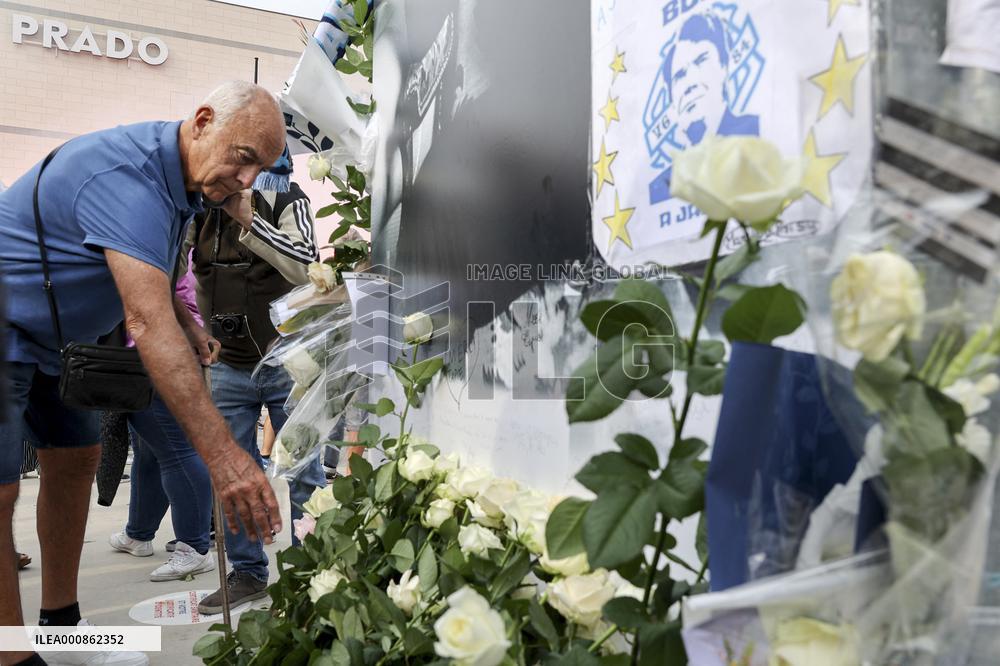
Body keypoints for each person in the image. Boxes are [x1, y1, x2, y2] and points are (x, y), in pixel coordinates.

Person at [0, 80, 284, 666]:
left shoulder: (185, 186)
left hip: (60, 342)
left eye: (263, 167)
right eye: (244, 157)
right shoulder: (127, 177)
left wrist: (189, 322)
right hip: (5, 326)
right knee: (0, 494)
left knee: (75, 461)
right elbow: (145, 321)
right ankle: (13, 656)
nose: (248, 180)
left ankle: (64, 630)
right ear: (203, 121)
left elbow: (152, 282)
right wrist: (227, 458)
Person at [185, 179, 326, 615]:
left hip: (288, 360)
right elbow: (166, 261)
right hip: (226, 362)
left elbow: (307, 264)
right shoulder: (195, 206)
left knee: (304, 469)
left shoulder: (288, 198)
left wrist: (247, 216)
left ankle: (313, 569)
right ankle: (247, 571)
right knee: (231, 472)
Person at [108, 262, 215, 582]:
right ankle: (139, 534)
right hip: (147, 349)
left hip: (162, 352)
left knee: (175, 450)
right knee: (150, 449)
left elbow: (164, 291)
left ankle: (194, 548)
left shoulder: (161, 240)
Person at [647, 11, 760, 204]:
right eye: (680, 76)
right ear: (672, 99)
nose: (690, 82)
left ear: (724, 67)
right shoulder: (661, 187)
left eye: (701, 61)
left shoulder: (758, 136)